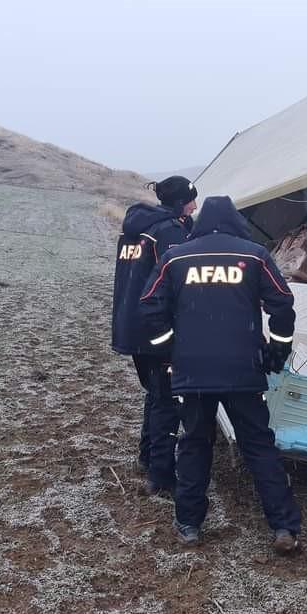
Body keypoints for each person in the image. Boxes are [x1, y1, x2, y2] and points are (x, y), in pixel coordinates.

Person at [139, 195, 302, 554]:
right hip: (243, 369)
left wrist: (170, 349)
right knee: (258, 445)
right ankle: (284, 527)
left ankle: (189, 525)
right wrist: (277, 349)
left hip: (192, 371)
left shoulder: (175, 257)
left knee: (195, 444)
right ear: (235, 222)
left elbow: (150, 306)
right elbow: (282, 304)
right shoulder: (254, 255)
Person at [111, 175, 197, 495]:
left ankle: (148, 456)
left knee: (156, 393)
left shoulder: (134, 230)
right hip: (157, 327)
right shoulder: (169, 231)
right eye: (190, 200)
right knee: (168, 401)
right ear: (177, 203)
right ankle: (162, 477)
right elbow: (180, 278)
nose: (195, 205)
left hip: (130, 324)